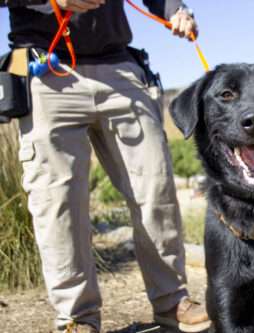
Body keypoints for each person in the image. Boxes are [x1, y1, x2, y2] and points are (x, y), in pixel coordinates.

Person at [0, 0, 210, 332]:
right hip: (44, 66)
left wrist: (175, 9)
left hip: (119, 68)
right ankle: (77, 318)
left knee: (156, 187)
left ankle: (172, 301)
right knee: (58, 202)